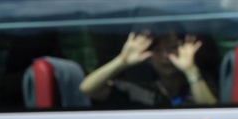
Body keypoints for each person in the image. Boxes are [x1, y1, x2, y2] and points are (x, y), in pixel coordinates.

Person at [80, 30, 218, 108]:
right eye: (157, 50)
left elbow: (211, 110)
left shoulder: (199, 83)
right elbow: (88, 88)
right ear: (148, 56)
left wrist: (191, 71)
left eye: (172, 49)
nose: (165, 56)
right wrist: (121, 61)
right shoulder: (137, 88)